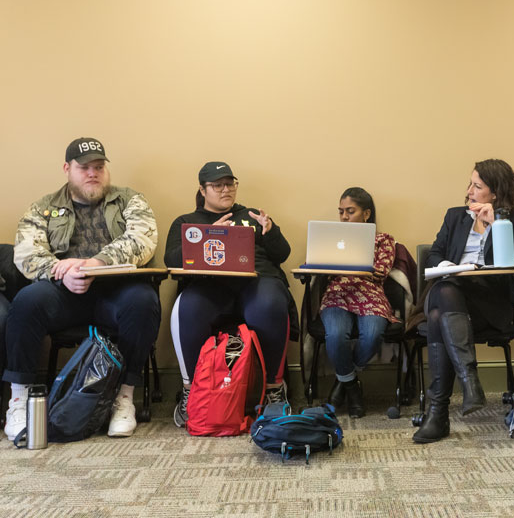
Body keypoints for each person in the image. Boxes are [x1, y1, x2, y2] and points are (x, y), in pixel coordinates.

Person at [3, 138, 160, 439]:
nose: (92, 173)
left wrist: (94, 263)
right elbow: (25, 252)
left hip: (115, 289)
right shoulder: (43, 207)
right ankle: (19, 400)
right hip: (63, 290)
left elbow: (142, 240)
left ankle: (123, 398)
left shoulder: (130, 200)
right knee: (26, 301)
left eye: (99, 167)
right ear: (67, 169)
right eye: (84, 167)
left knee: (143, 301)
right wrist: (60, 271)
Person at [165, 162, 292, 428]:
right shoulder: (188, 222)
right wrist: (206, 237)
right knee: (188, 307)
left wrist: (270, 231)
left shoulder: (252, 215)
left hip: (257, 280)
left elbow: (282, 254)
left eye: (230, 183)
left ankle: (273, 390)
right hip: (211, 284)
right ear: (202, 189)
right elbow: (172, 261)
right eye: (217, 185)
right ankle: (191, 390)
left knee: (269, 304)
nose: (225, 190)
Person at [412, 158, 514, 444]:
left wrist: (495, 225)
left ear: (496, 193)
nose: (469, 192)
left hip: (488, 306)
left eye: (477, 186)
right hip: (450, 294)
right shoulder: (455, 216)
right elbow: (435, 254)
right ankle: (469, 381)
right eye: (470, 184)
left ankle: (438, 415)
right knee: (446, 290)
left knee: (439, 313)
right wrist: (449, 267)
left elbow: (511, 263)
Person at [318, 187, 396, 419]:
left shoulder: (383, 240)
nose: (343, 217)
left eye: (350, 211)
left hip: (370, 294)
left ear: (366, 214)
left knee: (372, 335)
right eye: (341, 212)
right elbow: (315, 263)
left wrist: (353, 265)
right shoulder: (332, 238)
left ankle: (343, 382)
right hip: (337, 294)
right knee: (335, 334)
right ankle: (352, 386)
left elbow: (380, 271)